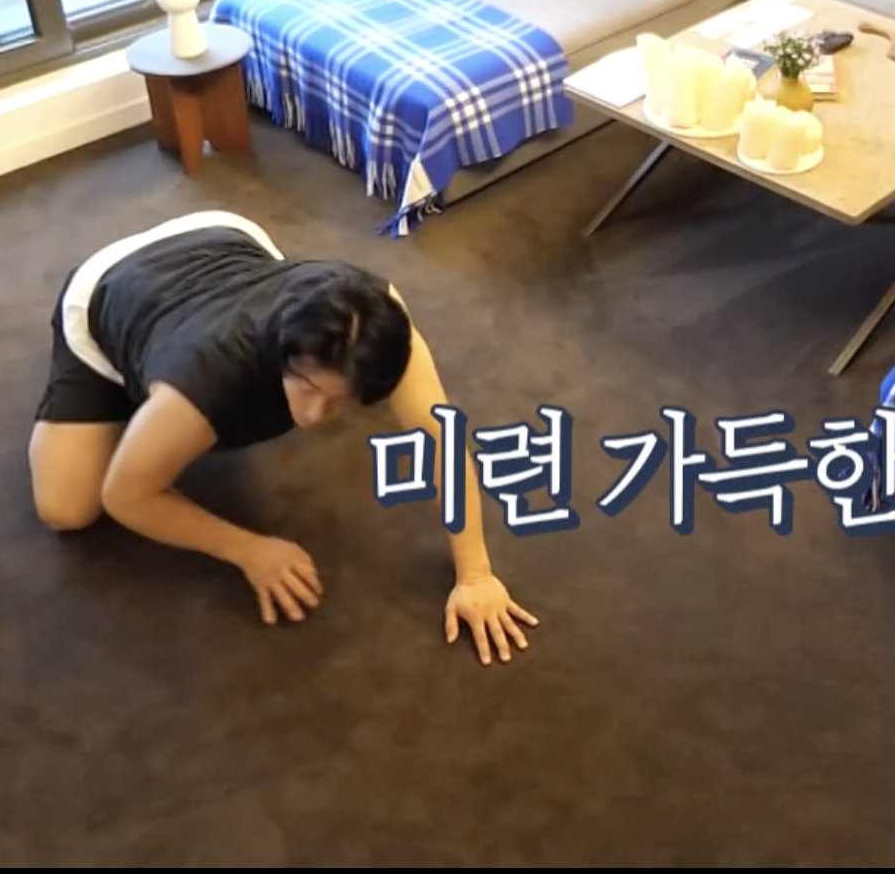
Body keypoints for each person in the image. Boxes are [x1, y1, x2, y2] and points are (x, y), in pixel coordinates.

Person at [28, 210, 540, 665]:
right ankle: (129, 375)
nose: (315, 417)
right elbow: (125, 495)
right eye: (307, 387)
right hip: (112, 287)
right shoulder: (206, 381)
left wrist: (476, 574)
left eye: (339, 400)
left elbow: (441, 440)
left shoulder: (376, 314)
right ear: (284, 354)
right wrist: (247, 549)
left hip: (222, 239)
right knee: (66, 509)